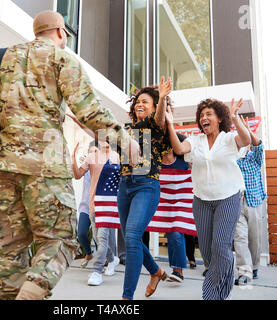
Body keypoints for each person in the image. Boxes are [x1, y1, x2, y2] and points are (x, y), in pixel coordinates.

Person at [0, 10, 136, 300]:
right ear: (60, 32)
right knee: (60, 239)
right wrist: (127, 142)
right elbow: (90, 110)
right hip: (46, 166)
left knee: (10, 248)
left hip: (6, 169)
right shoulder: (62, 59)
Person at [166, 98, 251, 300]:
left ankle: (212, 296)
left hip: (228, 198)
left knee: (221, 246)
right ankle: (223, 290)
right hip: (201, 200)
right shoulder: (195, 141)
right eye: (201, 115)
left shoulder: (229, 139)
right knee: (206, 251)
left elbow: (246, 140)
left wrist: (235, 118)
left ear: (219, 118)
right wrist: (170, 123)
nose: (204, 117)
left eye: (209, 114)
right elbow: (178, 149)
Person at [117, 76, 173, 300]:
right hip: (124, 186)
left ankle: (126, 298)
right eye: (138, 101)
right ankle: (156, 272)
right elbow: (101, 136)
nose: (140, 104)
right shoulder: (127, 129)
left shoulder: (156, 127)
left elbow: (159, 119)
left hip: (146, 185)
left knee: (131, 237)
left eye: (146, 101)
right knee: (133, 238)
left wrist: (162, 98)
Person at [72, 139, 120, 286]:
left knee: (103, 238)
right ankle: (112, 259)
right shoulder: (92, 157)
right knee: (99, 240)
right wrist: (73, 157)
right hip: (92, 205)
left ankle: (97, 271)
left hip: (107, 204)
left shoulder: (115, 156)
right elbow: (78, 175)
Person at [159, 134, 197, 283]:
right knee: (171, 235)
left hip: (182, 202)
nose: (164, 148)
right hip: (165, 204)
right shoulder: (156, 163)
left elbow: (194, 175)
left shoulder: (184, 161)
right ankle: (175, 268)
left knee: (176, 233)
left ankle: (178, 271)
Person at [234, 116, 267, 285]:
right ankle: (244, 271)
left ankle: (254, 267)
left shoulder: (255, 157)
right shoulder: (233, 159)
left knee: (254, 238)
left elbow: (259, 146)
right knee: (240, 238)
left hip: (254, 201)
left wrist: (250, 131)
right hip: (236, 203)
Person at [76, 142, 99, 268]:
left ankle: (105, 260)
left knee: (99, 237)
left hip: (98, 207)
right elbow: (76, 173)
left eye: (95, 152)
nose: (92, 155)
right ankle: (89, 253)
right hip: (86, 206)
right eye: (91, 152)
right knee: (81, 234)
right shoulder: (85, 168)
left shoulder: (102, 168)